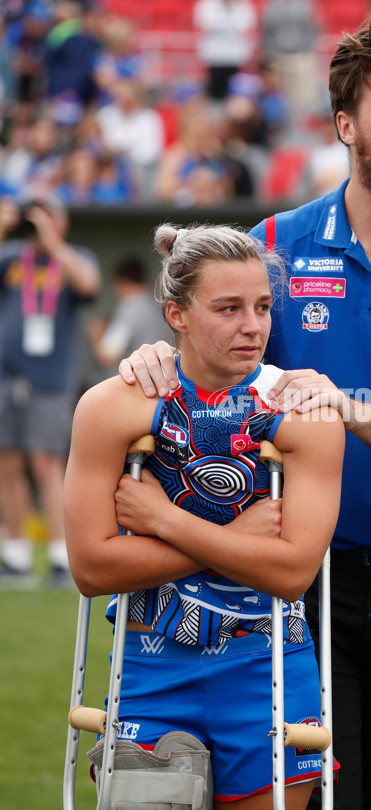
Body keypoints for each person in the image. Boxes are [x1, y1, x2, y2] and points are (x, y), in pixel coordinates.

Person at [118, 12, 371, 809]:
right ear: (345, 125)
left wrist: (344, 408)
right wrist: (155, 361)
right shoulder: (274, 242)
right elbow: (207, 376)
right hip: (302, 582)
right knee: (308, 802)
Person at [64, 222, 345, 808]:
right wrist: (236, 537)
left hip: (265, 665)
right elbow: (91, 568)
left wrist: (166, 520)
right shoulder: (111, 407)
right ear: (177, 315)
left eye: (264, 306)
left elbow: (292, 572)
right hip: (149, 666)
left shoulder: (305, 411)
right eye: (228, 308)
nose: (253, 325)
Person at [0, 191, 100, 586]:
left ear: (61, 221)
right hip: (7, 375)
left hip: (50, 379)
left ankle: (61, 557)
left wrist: (52, 241)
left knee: (46, 464)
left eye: (46, 216)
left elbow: (89, 285)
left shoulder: (75, 257)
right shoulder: (11, 256)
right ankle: (16, 555)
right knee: (6, 464)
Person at [86, 255, 171, 376]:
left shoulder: (130, 307)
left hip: (134, 382)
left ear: (122, 281)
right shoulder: (158, 305)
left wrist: (96, 334)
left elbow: (108, 356)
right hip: (161, 378)